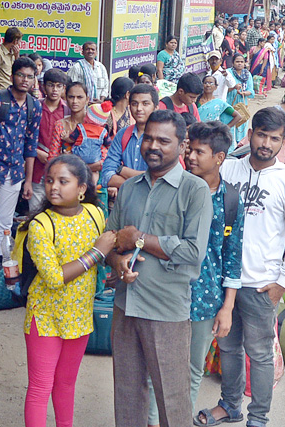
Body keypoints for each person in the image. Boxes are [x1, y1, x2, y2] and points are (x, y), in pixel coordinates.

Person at [201, 108, 285, 427]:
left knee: (260, 353)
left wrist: (283, 282)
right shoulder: (229, 169)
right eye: (261, 134)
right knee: (228, 347)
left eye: (274, 138)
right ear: (250, 133)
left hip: (262, 284)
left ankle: (258, 417)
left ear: (284, 142)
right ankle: (230, 406)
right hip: (223, 281)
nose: (266, 143)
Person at [105, 109, 210, 427]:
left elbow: (193, 251)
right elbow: (110, 241)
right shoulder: (130, 188)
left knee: (172, 402)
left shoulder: (195, 191)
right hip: (126, 307)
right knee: (127, 398)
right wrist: (118, 260)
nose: (153, 145)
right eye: (148, 138)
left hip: (166, 311)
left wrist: (139, 240)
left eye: (164, 140)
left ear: (182, 146)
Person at [158, 121, 241, 427]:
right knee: (161, 370)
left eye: (199, 151)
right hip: (166, 293)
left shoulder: (230, 200)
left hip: (206, 302)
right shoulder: (172, 189)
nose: (191, 156)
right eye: (189, 149)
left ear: (219, 157)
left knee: (193, 370)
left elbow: (232, 256)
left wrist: (227, 307)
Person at [22, 154, 112, 427]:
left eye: (63, 181)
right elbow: (53, 277)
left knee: (66, 383)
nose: (53, 187)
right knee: (40, 387)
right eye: (49, 181)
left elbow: (111, 248)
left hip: (79, 314)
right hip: (45, 317)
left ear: (82, 188)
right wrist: (96, 253)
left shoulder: (96, 215)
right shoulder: (40, 226)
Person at [0, 56, 40, 260]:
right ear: (12, 76)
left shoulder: (34, 106)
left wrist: (28, 180)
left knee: (4, 224)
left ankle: (1, 269)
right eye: (21, 75)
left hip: (15, 172)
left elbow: (31, 146)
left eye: (30, 76)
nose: (25, 80)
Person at [100, 84, 157, 190]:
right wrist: (141, 181)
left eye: (145, 104)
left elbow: (160, 179)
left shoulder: (162, 138)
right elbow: (106, 176)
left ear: (156, 107)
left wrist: (122, 170)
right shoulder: (122, 135)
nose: (139, 108)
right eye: (134, 104)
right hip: (126, 202)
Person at [55, 83, 109, 185]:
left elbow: (105, 158)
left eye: (79, 97)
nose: (75, 101)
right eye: (71, 97)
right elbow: (53, 156)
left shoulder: (97, 124)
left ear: (87, 99)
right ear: (66, 98)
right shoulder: (59, 125)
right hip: (67, 181)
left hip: (96, 183)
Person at [34, 69, 71, 210]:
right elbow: (24, 136)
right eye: (50, 85)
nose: (54, 90)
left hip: (60, 171)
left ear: (63, 88)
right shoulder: (35, 107)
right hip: (37, 169)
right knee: (36, 214)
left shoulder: (68, 110)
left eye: (58, 86)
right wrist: (37, 152)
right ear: (43, 86)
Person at [197, 75, 243, 153]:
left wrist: (226, 128)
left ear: (215, 87)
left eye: (211, 83)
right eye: (206, 83)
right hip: (197, 133)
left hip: (210, 135)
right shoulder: (195, 100)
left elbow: (238, 116)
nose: (208, 85)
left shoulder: (219, 103)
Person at [0, 27, 22, 93]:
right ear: (15, 41)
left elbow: (18, 71)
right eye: (19, 42)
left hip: (12, 91)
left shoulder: (13, 54)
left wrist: (17, 56)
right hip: (2, 91)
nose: (19, 44)